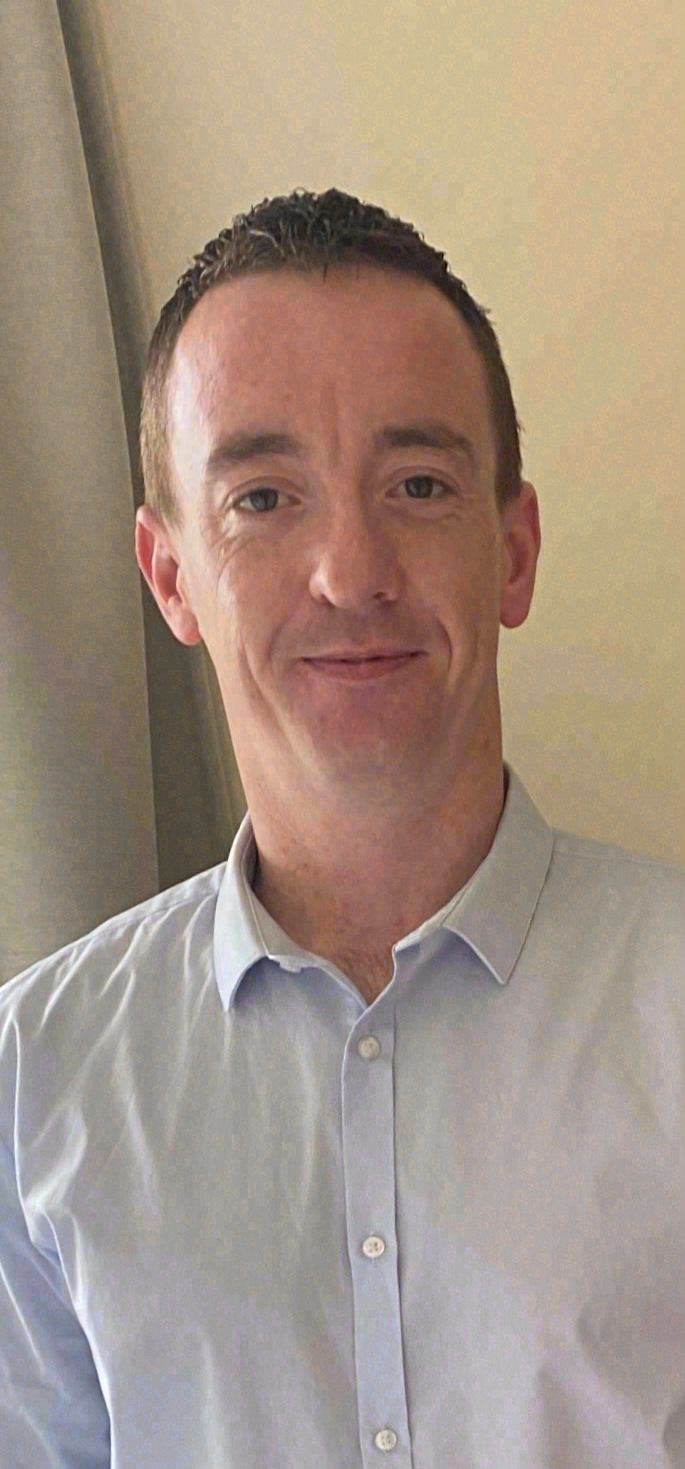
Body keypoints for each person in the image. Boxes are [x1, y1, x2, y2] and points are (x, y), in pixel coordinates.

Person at [0, 188, 682, 1468]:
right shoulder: (33, 1080)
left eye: (417, 483)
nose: (350, 571)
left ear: (513, 551)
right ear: (170, 575)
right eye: (264, 498)